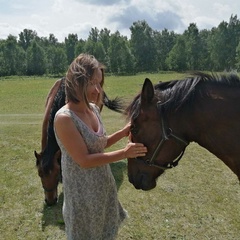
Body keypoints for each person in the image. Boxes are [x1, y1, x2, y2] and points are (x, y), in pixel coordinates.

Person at [54, 53, 147, 240]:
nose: (97, 90)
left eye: (99, 82)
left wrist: (123, 132)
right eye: (91, 83)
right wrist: (124, 153)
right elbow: (84, 160)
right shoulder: (65, 118)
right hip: (83, 196)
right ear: (76, 82)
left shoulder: (93, 109)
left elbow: (98, 145)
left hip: (103, 188)